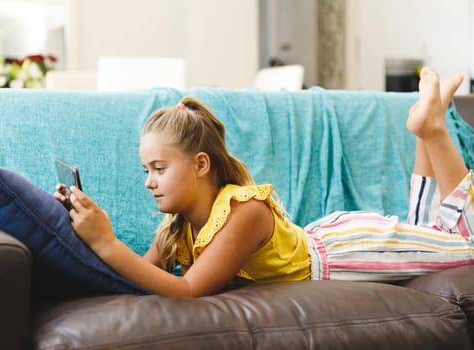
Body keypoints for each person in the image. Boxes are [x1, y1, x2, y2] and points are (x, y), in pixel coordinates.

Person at [55, 67, 474, 297]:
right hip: (330, 241)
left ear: (201, 164)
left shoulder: (244, 212)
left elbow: (187, 289)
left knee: (468, 245)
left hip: (349, 252)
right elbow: (134, 279)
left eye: (159, 169)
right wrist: (86, 230)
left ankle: (434, 130)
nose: (149, 182)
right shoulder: (177, 229)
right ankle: (426, 125)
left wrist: (107, 241)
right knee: (430, 231)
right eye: (146, 170)